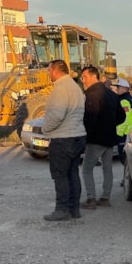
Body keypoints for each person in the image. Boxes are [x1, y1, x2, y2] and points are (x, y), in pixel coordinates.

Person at [41, 60, 86, 221]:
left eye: (49, 70)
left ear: (55, 70)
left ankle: (62, 209)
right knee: (72, 173)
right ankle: (74, 209)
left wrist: (45, 129)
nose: (48, 74)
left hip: (63, 138)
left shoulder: (61, 88)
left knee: (60, 175)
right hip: (77, 136)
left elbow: (57, 115)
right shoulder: (75, 87)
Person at [80, 66, 125, 210]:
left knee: (87, 169)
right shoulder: (112, 95)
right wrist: (110, 125)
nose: (83, 80)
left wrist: (85, 137)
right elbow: (122, 117)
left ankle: (91, 199)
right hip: (110, 138)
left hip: (95, 139)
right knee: (107, 169)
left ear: (94, 76)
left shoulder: (92, 95)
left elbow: (89, 119)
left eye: (84, 77)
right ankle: (105, 198)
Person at [113, 77, 132, 164]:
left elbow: (125, 119)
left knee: (123, 158)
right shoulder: (130, 98)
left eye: (118, 87)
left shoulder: (123, 101)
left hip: (124, 134)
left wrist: (120, 133)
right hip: (130, 132)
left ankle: (128, 176)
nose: (117, 89)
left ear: (124, 88)